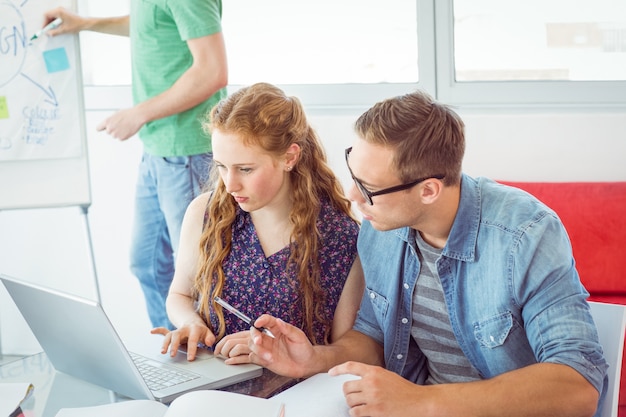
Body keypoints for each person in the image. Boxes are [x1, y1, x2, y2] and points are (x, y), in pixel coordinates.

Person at [246, 89, 609, 417]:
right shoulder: (381, 228)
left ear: (429, 190)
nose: (354, 200)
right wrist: (315, 359)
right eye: (352, 175)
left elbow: (578, 387)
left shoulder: (525, 234)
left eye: (368, 188)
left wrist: (420, 402)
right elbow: (372, 337)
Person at [42, 2, 228, 329]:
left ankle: (204, 363)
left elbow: (212, 70)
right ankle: (175, 353)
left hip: (187, 152)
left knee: (197, 278)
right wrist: (83, 23)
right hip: (157, 150)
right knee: (147, 264)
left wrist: (139, 113)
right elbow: (151, 26)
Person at [151, 83, 364, 361]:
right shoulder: (205, 212)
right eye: (221, 167)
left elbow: (343, 348)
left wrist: (284, 355)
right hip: (212, 379)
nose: (230, 184)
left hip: (291, 393)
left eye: (245, 169)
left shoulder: (340, 238)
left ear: (289, 157)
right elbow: (179, 294)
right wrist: (191, 323)